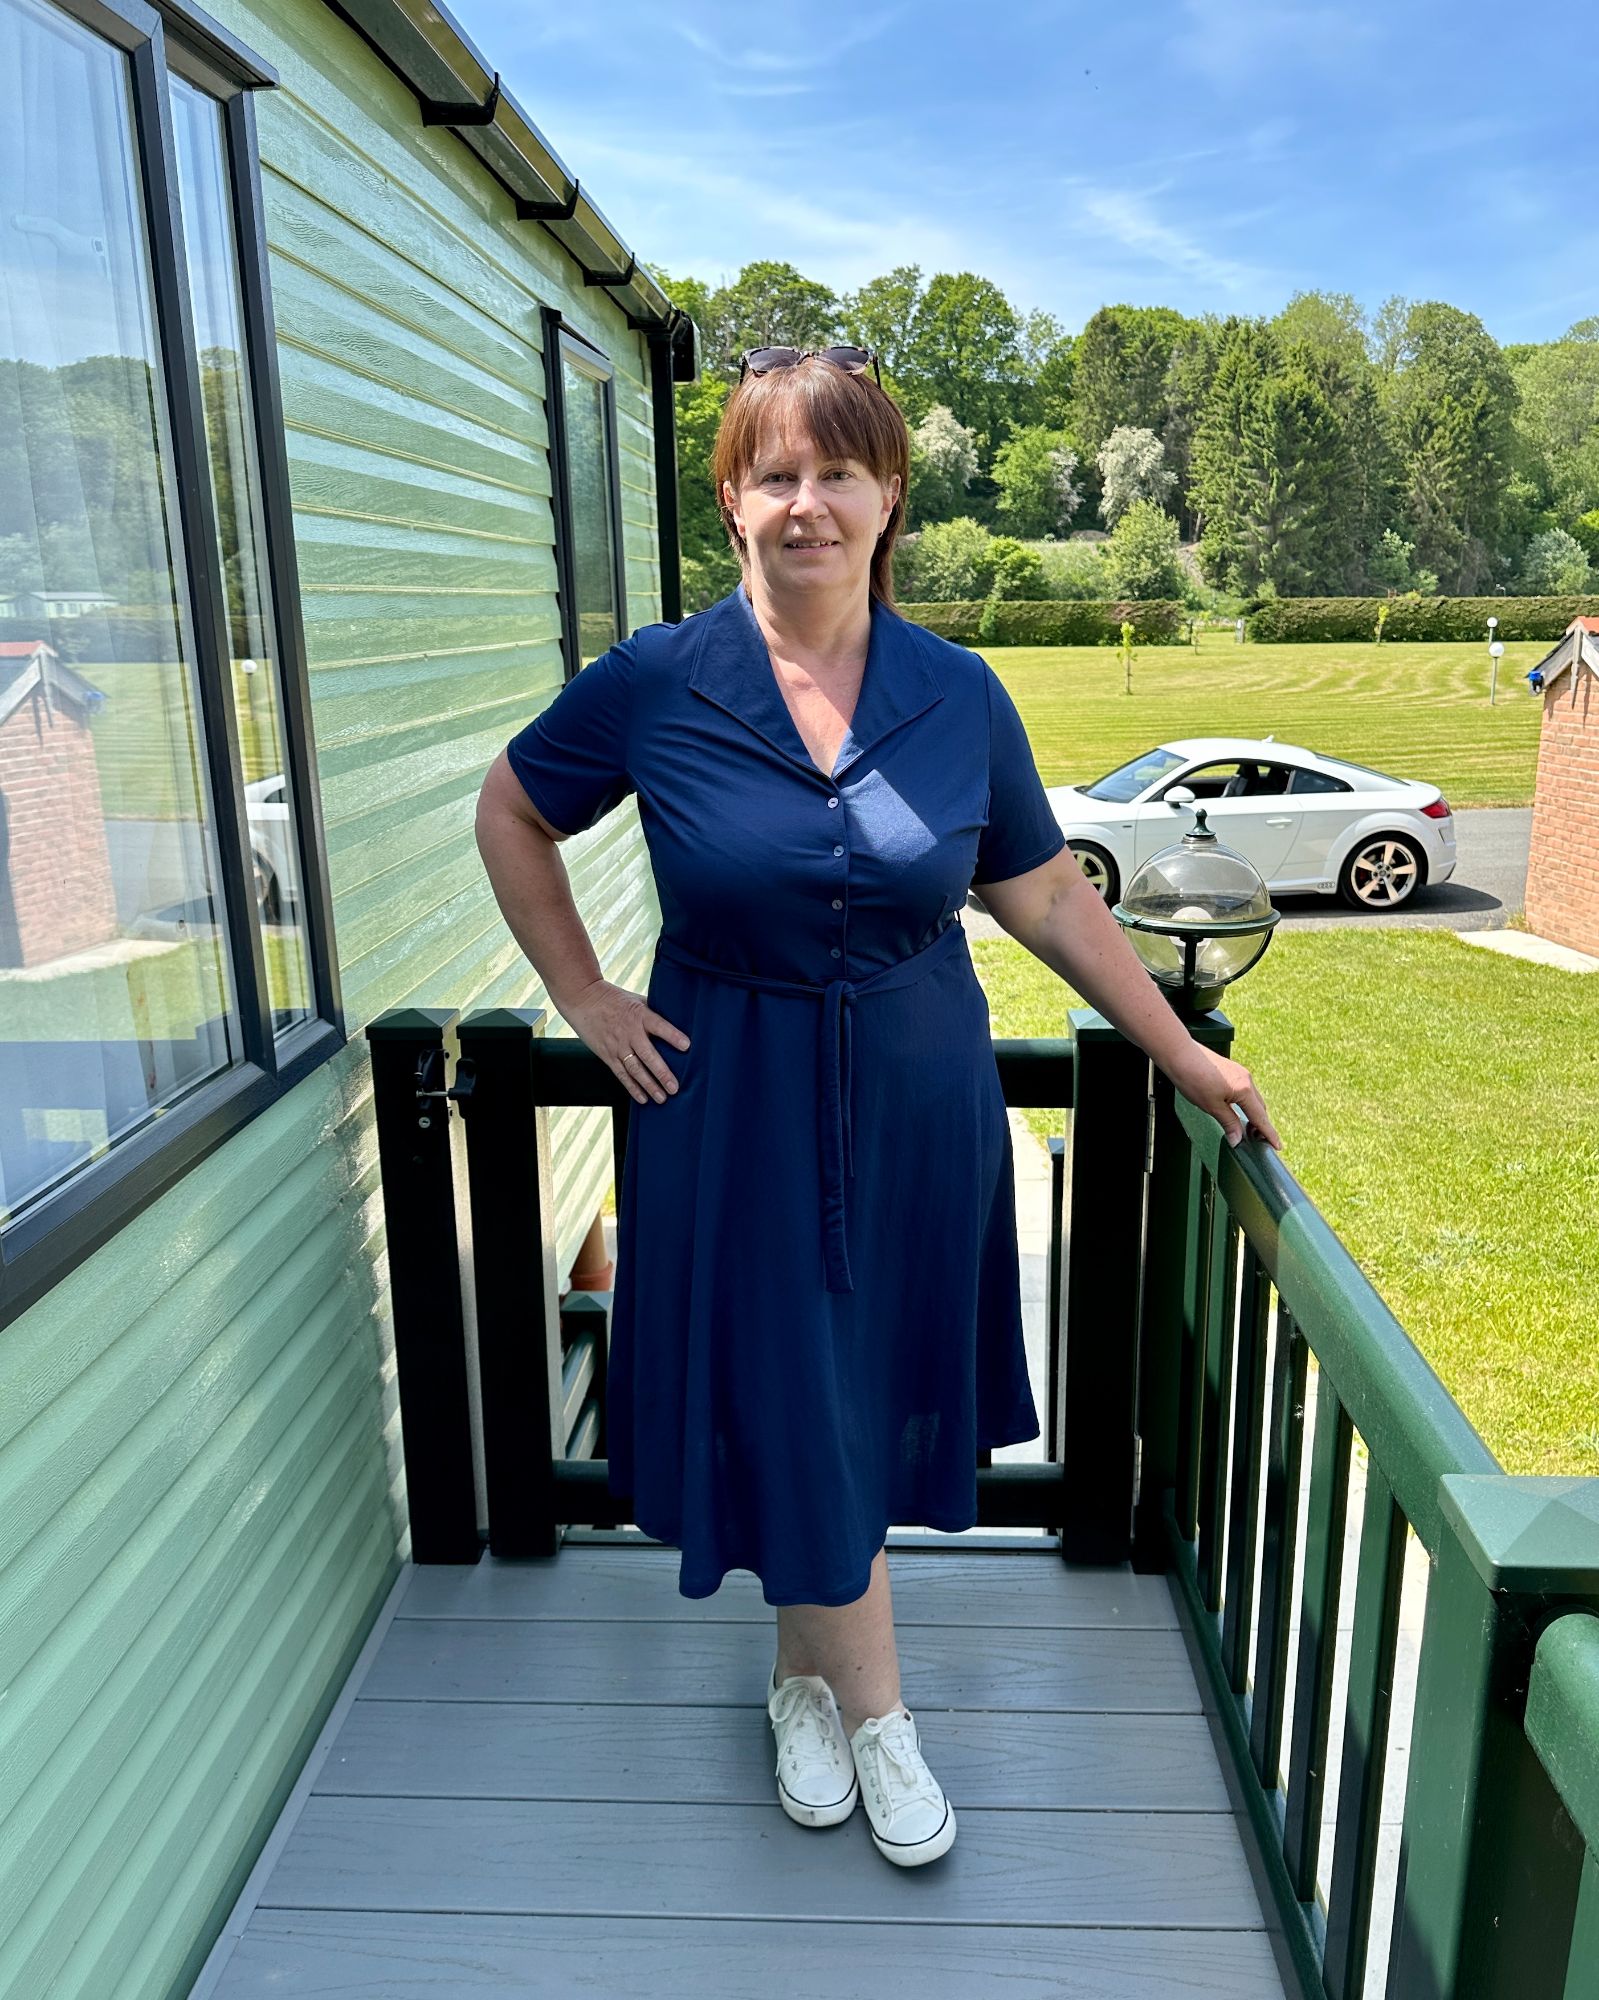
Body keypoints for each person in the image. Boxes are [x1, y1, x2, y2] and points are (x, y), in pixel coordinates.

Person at [474, 344, 1284, 1870]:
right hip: (730, 1097)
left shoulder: (958, 694)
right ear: (729, 500)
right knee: (794, 1384)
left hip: (916, 1097)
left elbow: (1043, 887)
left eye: (837, 471)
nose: (807, 504)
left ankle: (801, 1683)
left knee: (843, 1390)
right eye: (773, 474)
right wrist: (579, 992)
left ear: (888, 493)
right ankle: (885, 1715)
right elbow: (512, 807)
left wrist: (1180, 1049)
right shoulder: (656, 683)